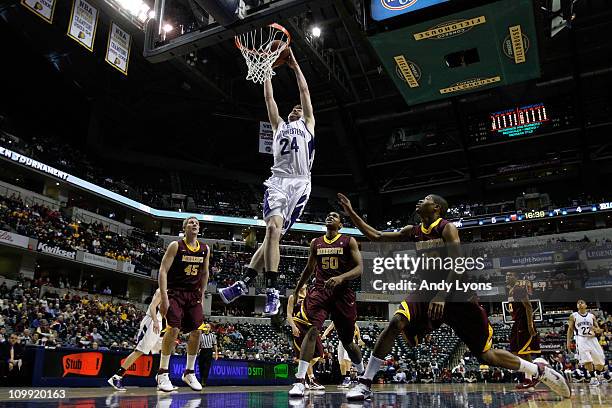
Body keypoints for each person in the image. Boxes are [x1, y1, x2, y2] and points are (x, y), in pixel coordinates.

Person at [337, 193, 570, 400]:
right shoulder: (413, 231)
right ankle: (365, 381)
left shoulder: (447, 228)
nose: (420, 201)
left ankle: (535, 369)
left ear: (437, 208)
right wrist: (351, 212)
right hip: (426, 290)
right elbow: (376, 235)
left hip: (458, 294)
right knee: (397, 322)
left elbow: (458, 263)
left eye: (426, 199)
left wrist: (442, 294)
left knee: (486, 356)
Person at [219, 47, 315, 317]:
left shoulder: (308, 124)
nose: (297, 108)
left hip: (300, 185)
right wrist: (266, 69)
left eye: (299, 107)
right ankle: (271, 290)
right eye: (294, 108)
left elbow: (305, 93)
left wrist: (295, 66)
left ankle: (244, 282)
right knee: (272, 231)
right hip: (277, 182)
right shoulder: (279, 126)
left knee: (272, 237)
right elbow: (268, 97)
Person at [288, 211, 364, 397]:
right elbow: (309, 268)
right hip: (320, 291)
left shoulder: (348, 241)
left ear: (340, 225)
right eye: (328, 215)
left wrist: (341, 277)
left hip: (342, 293)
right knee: (312, 330)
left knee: (347, 341)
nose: (330, 216)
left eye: (335, 215)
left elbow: (360, 268)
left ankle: (362, 375)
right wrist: (298, 289)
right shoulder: (316, 243)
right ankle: (299, 381)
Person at [156, 216, 210, 392]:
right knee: (173, 329)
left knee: (197, 330)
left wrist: (202, 295)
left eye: (196, 223)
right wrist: (164, 298)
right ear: (184, 227)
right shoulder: (176, 246)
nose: (194, 224)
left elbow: (205, 273)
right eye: (191, 222)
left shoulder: (205, 249)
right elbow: (163, 271)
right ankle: (163, 373)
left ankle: (189, 372)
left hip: (193, 295)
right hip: (175, 293)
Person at [107, 289, 163, 391]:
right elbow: (152, 307)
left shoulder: (172, 291)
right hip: (152, 321)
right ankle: (117, 377)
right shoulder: (162, 290)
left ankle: (161, 379)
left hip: (159, 322)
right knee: (139, 351)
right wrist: (155, 320)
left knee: (161, 352)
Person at [506, 271, 541, 389]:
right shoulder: (510, 291)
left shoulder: (519, 289)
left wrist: (530, 325)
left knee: (524, 353)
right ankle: (532, 374)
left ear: (516, 277)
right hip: (517, 323)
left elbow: (528, 306)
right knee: (515, 352)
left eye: (510, 275)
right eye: (506, 275)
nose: (507, 276)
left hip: (524, 323)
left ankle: (531, 378)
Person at [287, 286, 324, 391]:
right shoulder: (293, 297)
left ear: (306, 284)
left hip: (311, 326)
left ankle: (300, 373)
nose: (301, 283)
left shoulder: (311, 296)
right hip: (299, 325)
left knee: (318, 353)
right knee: (304, 354)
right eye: (299, 281)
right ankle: (311, 379)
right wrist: (293, 326)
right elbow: (289, 314)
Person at [567, 299, 606, 386]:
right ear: (577, 306)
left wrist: (598, 330)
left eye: (582, 302)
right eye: (578, 303)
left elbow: (598, 329)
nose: (580, 304)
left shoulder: (592, 316)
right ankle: (592, 377)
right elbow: (570, 330)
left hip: (592, 339)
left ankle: (598, 375)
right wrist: (568, 342)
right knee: (587, 359)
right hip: (581, 339)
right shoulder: (573, 316)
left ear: (586, 306)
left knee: (600, 361)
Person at [321, 322, 365, 388]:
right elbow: (329, 328)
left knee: (346, 359)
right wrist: (324, 335)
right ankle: (344, 379)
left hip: (349, 340)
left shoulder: (348, 317)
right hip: (341, 341)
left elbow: (357, 329)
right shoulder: (335, 320)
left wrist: (359, 339)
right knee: (341, 362)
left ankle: (348, 379)